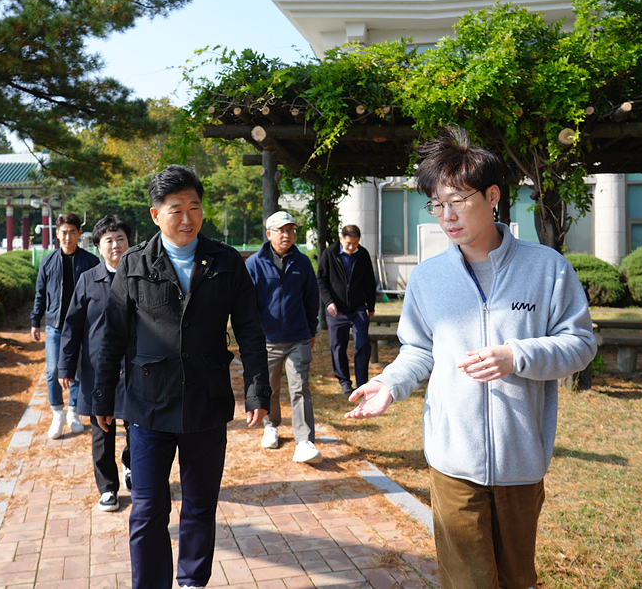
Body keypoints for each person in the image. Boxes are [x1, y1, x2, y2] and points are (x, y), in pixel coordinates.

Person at [345, 127, 597, 589]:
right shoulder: (428, 279)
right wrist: (389, 384)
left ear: (493, 195)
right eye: (437, 204)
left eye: (458, 200)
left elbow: (580, 344)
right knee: (466, 582)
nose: (447, 215)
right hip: (452, 461)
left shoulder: (547, 268)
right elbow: (419, 349)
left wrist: (517, 355)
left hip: (521, 461)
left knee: (518, 578)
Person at [93, 164, 270, 589]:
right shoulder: (134, 264)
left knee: (199, 505)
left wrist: (257, 390)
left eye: (194, 207)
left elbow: (249, 330)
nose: (187, 218)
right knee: (149, 508)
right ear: (156, 215)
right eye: (176, 209)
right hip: (147, 406)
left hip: (206, 404)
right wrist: (102, 399)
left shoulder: (226, 262)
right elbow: (113, 336)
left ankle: (192, 580)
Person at [60, 215, 135, 513]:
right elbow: (72, 326)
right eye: (109, 240)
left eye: (121, 239)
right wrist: (65, 366)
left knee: (136, 426)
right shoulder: (88, 280)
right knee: (101, 431)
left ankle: (132, 469)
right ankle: (107, 488)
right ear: (99, 247)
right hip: (97, 369)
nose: (116, 245)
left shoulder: (139, 276)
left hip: (133, 367)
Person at [244, 210, 322, 464]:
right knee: (271, 388)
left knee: (300, 388)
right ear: (269, 234)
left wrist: (312, 330)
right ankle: (271, 426)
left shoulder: (302, 263)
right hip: (267, 340)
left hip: (298, 337)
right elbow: (247, 305)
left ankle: (305, 441)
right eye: (281, 230)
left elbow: (311, 299)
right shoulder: (254, 264)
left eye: (290, 230)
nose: (287, 235)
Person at [30, 213, 98, 439]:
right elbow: (40, 294)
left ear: (79, 233)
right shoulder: (48, 261)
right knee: (53, 370)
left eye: (72, 232)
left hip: (82, 326)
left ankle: (73, 413)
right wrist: (35, 321)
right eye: (63, 232)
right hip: (55, 326)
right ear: (57, 235)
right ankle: (57, 412)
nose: (67, 237)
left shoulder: (90, 261)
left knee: (78, 371)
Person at [317, 224, 377, 394]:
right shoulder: (329, 254)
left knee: (363, 344)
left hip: (358, 308)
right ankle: (344, 381)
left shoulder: (363, 254)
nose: (352, 247)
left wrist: (371, 306)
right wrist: (328, 302)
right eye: (349, 243)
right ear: (341, 239)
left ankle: (362, 381)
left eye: (355, 244)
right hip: (337, 310)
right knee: (337, 346)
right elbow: (321, 280)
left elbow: (369, 282)